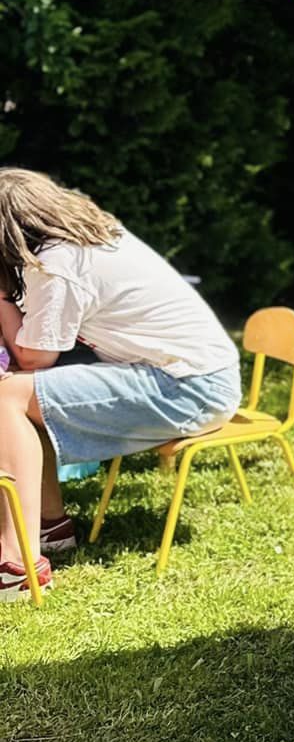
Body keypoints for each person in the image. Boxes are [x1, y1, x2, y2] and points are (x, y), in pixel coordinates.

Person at [0, 170, 242, 598]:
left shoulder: (56, 265)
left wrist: (1, 295)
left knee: (8, 395)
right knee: (23, 393)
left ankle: (18, 565)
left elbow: (33, 356)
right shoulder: (85, 241)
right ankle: (48, 530)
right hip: (198, 379)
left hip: (190, 388)